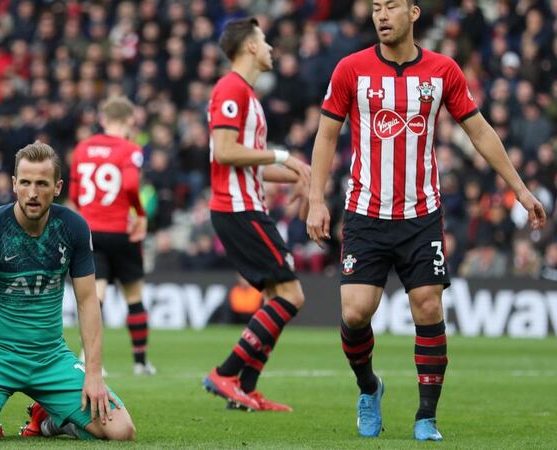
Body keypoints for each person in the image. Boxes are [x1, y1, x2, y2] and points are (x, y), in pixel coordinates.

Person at [305, 0, 546, 441]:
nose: (381, 15)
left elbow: (479, 131)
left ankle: (426, 416)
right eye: (376, 7)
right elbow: (326, 133)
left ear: (414, 13)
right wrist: (316, 199)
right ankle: (369, 388)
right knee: (356, 313)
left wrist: (520, 189)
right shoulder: (350, 69)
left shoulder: (443, 71)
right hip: (365, 212)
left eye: (391, 6)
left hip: (421, 213)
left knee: (429, 307)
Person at [0, 142, 135, 441]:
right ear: (14, 184)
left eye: (41, 184)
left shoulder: (74, 228)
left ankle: (50, 421)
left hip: (50, 358)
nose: (32, 192)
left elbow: (87, 301)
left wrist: (94, 375)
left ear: (57, 187)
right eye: (25, 182)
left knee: (121, 431)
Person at [202, 17, 312, 412]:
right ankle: (226, 373)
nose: (270, 48)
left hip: (244, 206)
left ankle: (244, 391)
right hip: (239, 209)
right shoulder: (231, 88)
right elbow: (225, 151)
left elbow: (251, 164)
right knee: (292, 294)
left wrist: (298, 171)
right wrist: (285, 154)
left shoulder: (245, 93)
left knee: (273, 297)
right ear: (249, 46)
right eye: (264, 41)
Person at [69, 96, 155, 375]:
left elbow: (72, 194)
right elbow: (130, 183)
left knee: (97, 296)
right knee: (133, 295)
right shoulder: (130, 149)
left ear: (103, 120)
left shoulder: (82, 148)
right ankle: (141, 363)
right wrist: (139, 213)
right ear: (130, 120)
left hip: (91, 231)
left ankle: (88, 358)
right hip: (122, 231)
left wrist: (86, 214)